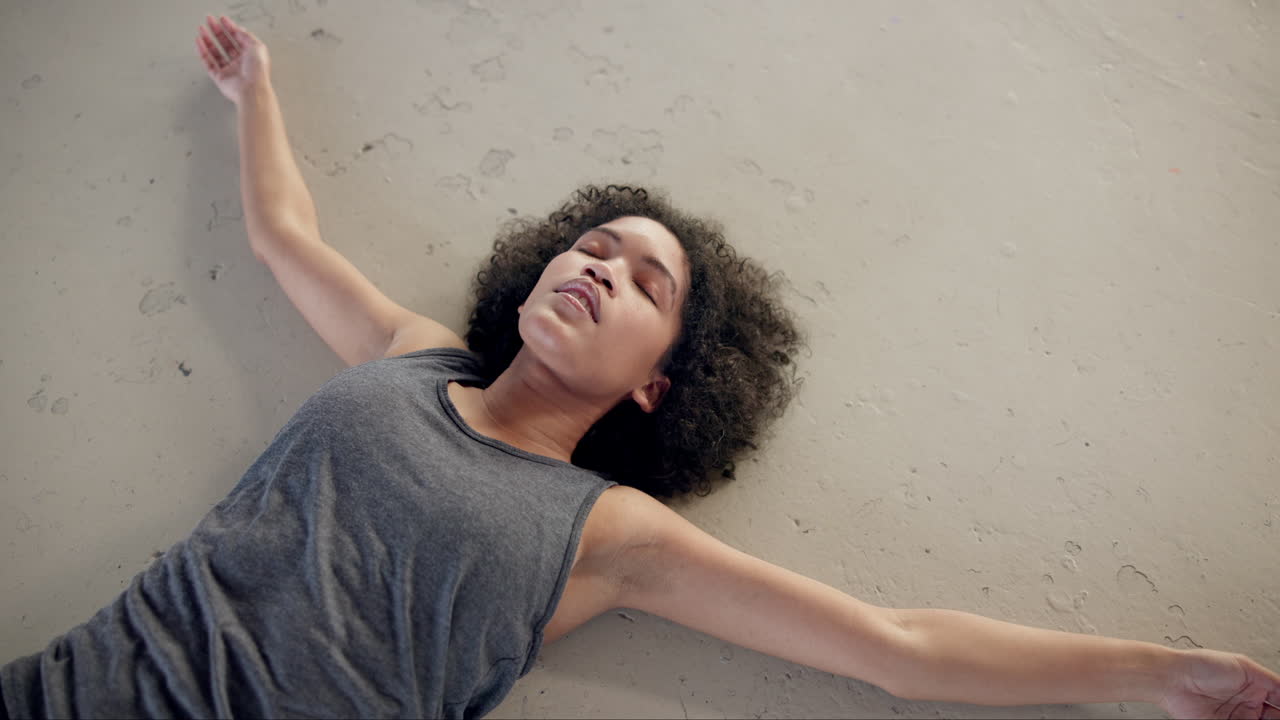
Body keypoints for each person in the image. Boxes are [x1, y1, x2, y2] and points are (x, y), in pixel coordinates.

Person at [2, 14, 1278, 720]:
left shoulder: (607, 534)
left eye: (642, 280)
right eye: (591, 245)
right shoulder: (411, 358)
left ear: (657, 382)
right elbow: (288, 238)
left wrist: (1156, 673)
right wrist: (258, 93)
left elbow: (895, 646)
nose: (597, 266)